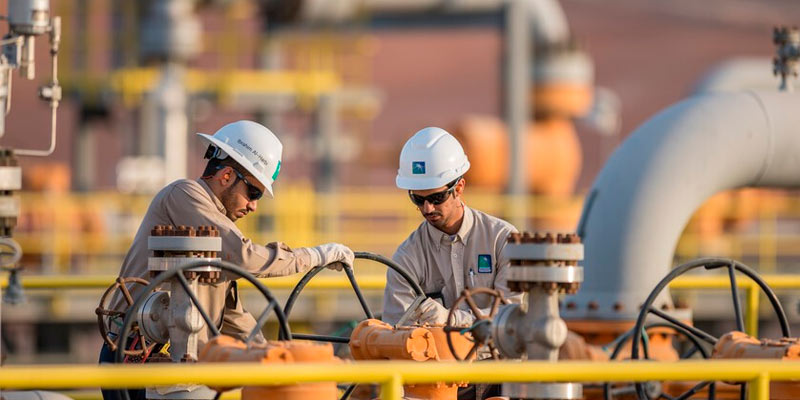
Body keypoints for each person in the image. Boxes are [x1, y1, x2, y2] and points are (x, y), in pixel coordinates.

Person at [99, 120, 353, 399]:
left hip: (165, 367)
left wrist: (273, 357)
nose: (254, 205)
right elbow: (245, 258)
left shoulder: (212, 227)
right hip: (133, 357)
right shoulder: (184, 195)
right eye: (253, 192)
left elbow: (228, 311)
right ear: (227, 176)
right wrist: (315, 256)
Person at [382, 127, 522, 327]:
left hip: (495, 357)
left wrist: (452, 319)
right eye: (418, 199)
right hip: (435, 358)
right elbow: (395, 331)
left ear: (459, 187)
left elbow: (511, 317)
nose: (427, 208)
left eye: (436, 197)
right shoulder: (407, 257)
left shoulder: (503, 239)